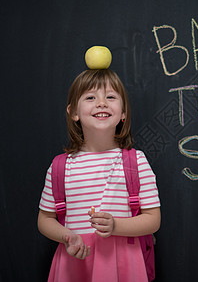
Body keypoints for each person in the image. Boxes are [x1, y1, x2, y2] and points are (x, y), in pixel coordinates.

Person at [38, 69, 161, 281]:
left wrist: (116, 226)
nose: (102, 103)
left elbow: (152, 220)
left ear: (123, 113)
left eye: (111, 97)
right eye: (90, 97)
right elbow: (44, 219)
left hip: (123, 264)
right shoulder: (60, 166)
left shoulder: (136, 161)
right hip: (75, 263)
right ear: (73, 112)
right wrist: (67, 237)